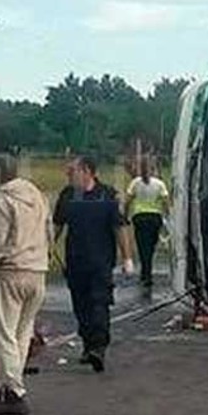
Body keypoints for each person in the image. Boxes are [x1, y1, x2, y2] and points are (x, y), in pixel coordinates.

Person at [0, 155, 51, 415]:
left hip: (11, 273)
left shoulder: (2, 199)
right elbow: (48, 232)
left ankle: (14, 392)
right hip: (37, 271)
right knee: (21, 332)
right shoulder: (38, 196)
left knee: (2, 332)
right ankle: (10, 383)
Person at [54, 156, 130, 372]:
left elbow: (119, 227)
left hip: (100, 261)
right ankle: (88, 344)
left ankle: (99, 347)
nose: (68, 175)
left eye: (72, 171)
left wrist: (127, 258)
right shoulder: (68, 196)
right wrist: (46, 247)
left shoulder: (107, 195)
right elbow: (58, 225)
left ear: (88, 171)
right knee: (81, 306)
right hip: (75, 260)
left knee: (99, 303)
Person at [125, 156, 169, 295]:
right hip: (155, 218)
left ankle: (145, 273)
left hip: (139, 218)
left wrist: (125, 216)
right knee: (150, 246)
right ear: (154, 168)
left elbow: (128, 201)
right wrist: (167, 216)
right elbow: (166, 202)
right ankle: (147, 273)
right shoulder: (160, 184)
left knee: (142, 246)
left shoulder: (135, 183)